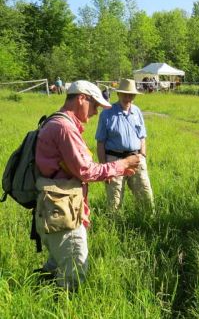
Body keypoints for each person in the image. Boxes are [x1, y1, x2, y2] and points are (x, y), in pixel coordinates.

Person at [34, 80, 140, 290]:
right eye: (94, 106)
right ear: (81, 98)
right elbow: (86, 171)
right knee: (74, 271)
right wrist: (122, 164)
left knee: (55, 267)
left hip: (54, 209)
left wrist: (118, 168)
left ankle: (35, 294)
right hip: (62, 212)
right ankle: (64, 307)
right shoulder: (65, 128)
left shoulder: (56, 122)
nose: (95, 112)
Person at [95, 78, 154, 211]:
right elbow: (100, 142)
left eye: (131, 95)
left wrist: (142, 156)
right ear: (118, 94)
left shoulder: (137, 111)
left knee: (145, 195)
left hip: (135, 158)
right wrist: (105, 168)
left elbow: (142, 137)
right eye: (125, 94)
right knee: (114, 200)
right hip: (114, 160)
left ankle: (149, 221)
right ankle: (114, 225)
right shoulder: (107, 114)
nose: (128, 98)